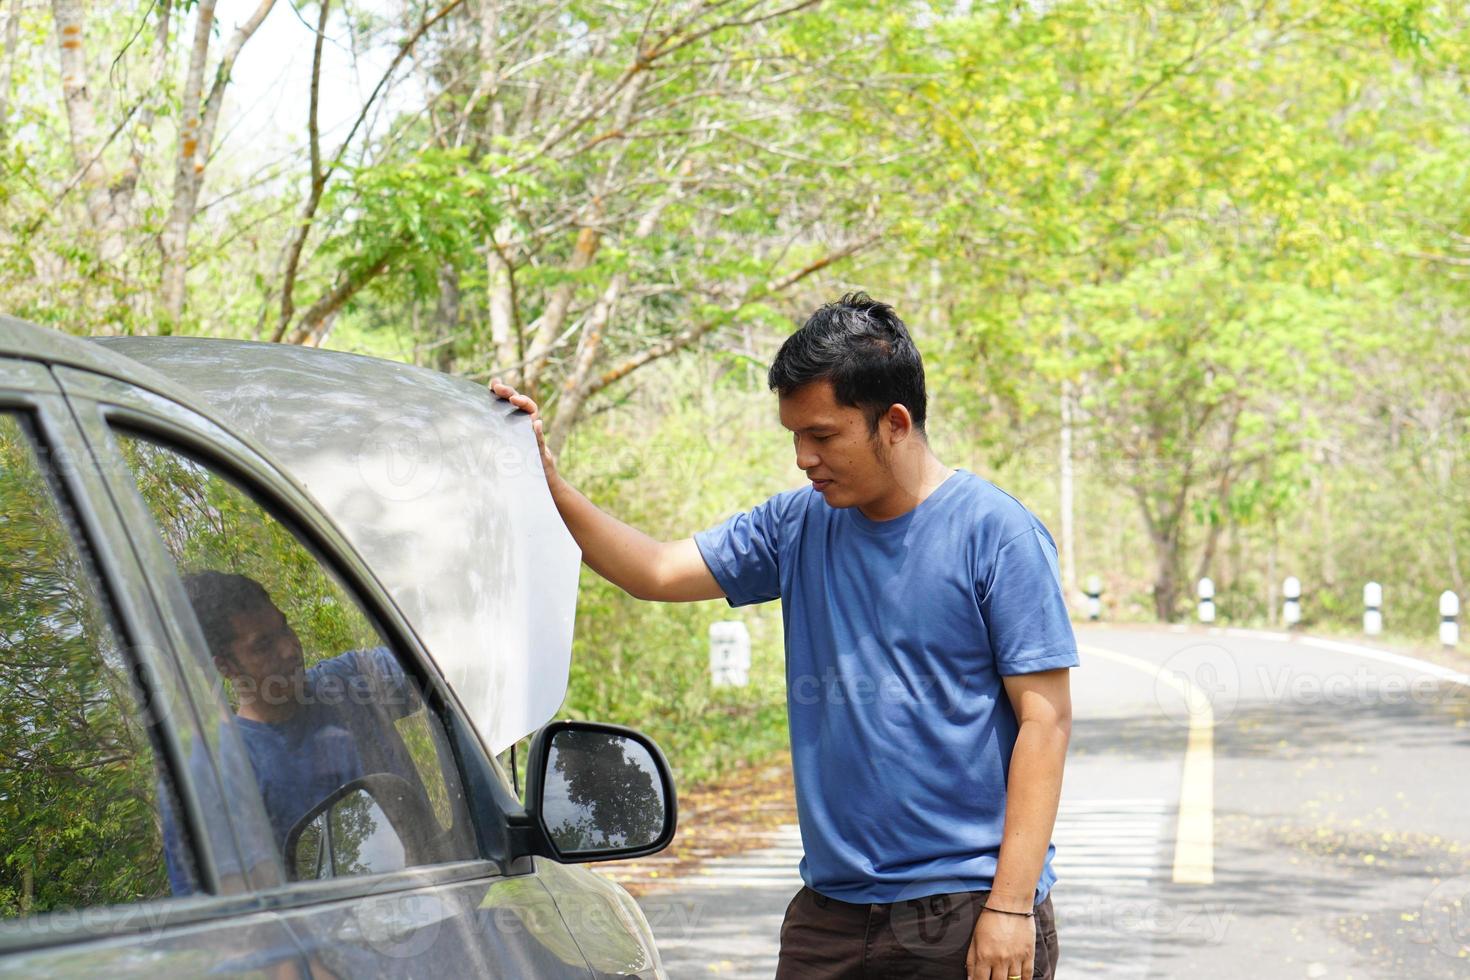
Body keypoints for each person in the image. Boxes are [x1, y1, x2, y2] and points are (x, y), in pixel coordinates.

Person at [492, 292, 1077, 980]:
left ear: (893, 423)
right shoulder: (796, 525)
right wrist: (548, 481)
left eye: (823, 435)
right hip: (829, 913)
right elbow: (651, 568)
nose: (804, 457)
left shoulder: (996, 534)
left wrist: (1009, 908)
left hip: (963, 907)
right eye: (794, 436)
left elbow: (1046, 720)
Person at [177, 571, 429, 864]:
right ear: (226, 667)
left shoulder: (349, 681)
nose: (289, 650)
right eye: (263, 645)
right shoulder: (238, 775)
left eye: (285, 628)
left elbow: (443, 663)